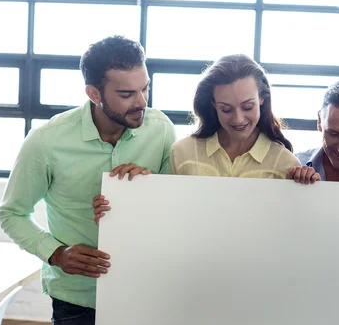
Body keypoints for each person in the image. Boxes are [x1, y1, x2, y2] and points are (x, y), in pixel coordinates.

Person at [0, 35, 176, 325]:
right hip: (77, 299)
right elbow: (11, 213)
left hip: (145, 293)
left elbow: (173, 211)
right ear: (94, 94)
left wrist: (148, 191)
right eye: (127, 95)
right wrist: (56, 253)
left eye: (145, 89)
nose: (141, 102)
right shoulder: (46, 142)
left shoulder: (161, 129)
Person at [94, 54, 320, 223]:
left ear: (262, 99)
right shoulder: (182, 152)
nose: (238, 118)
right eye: (226, 109)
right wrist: (126, 198)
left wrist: (310, 192)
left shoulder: (285, 163)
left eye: (247, 106)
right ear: (213, 105)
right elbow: (164, 218)